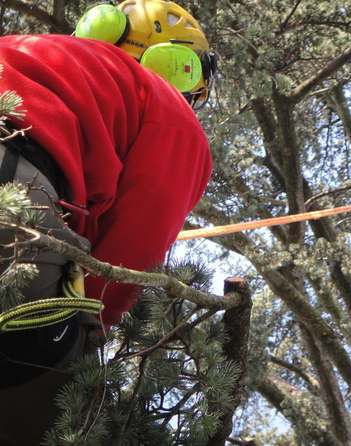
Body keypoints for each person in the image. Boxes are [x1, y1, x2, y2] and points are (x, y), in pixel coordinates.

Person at [0, 1, 216, 444]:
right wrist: (91, 329)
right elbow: (127, 255)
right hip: (16, 189)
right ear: (176, 65)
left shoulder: (30, 51)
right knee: (52, 395)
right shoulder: (166, 106)